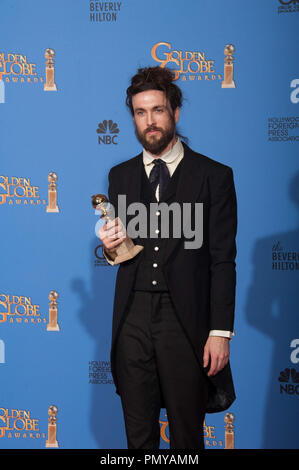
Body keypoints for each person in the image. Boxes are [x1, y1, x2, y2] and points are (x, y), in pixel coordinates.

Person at [99, 66, 237, 449]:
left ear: (175, 112)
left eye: (158, 110)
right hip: (132, 320)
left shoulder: (214, 176)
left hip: (186, 321)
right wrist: (111, 247)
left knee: (187, 437)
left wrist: (220, 331)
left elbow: (223, 259)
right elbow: (123, 249)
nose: (150, 121)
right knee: (139, 438)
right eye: (141, 113)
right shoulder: (120, 176)